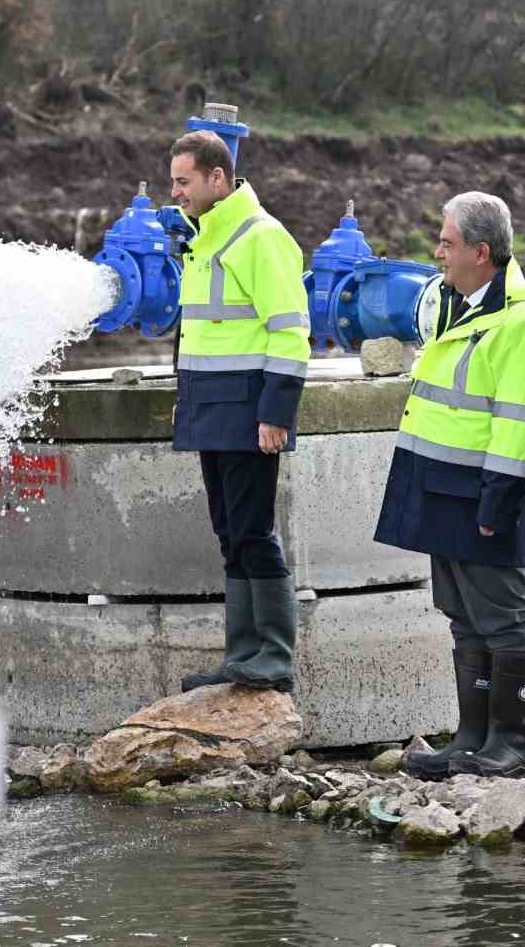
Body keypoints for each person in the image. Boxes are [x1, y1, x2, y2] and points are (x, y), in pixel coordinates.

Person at [375, 191, 525, 779]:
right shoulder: (460, 306)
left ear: (481, 251)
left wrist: (497, 502)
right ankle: (470, 741)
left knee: (503, 619)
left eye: (446, 243)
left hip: (482, 495)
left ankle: (511, 745)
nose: (437, 252)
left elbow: (515, 420)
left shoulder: (520, 320)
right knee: (463, 616)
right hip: (442, 489)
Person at [169, 130, 310, 695]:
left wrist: (275, 413)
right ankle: (242, 654)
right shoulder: (206, 238)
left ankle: (272, 655)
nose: (175, 192)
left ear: (217, 179)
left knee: (253, 530)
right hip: (211, 408)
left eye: (183, 181)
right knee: (230, 531)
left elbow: (291, 332)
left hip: (249, 410)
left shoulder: (261, 236)